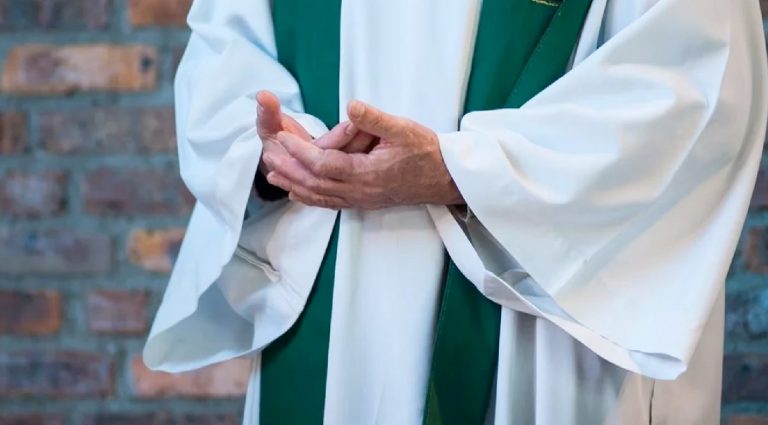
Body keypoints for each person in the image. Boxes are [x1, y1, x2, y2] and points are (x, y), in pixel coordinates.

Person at [143, 0, 768, 424]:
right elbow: (227, 53)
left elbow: (694, 88)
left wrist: (462, 172)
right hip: (333, 294)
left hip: (541, 313)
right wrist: (274, 155)